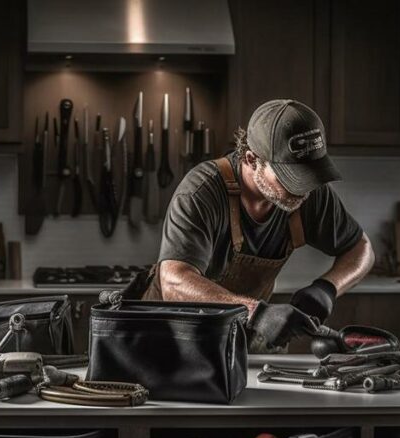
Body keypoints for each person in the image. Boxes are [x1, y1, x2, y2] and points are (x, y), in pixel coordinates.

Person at [136, 99, 374, 351]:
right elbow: (174, 282)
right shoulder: (201, 192)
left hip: (238, 341)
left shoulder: (308, 194)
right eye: (291, 178)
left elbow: (362, 249)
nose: (303, 191)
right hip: (171, 341)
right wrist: (255, 312)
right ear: (251, 159)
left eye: (308, 176)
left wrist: (327, 287)